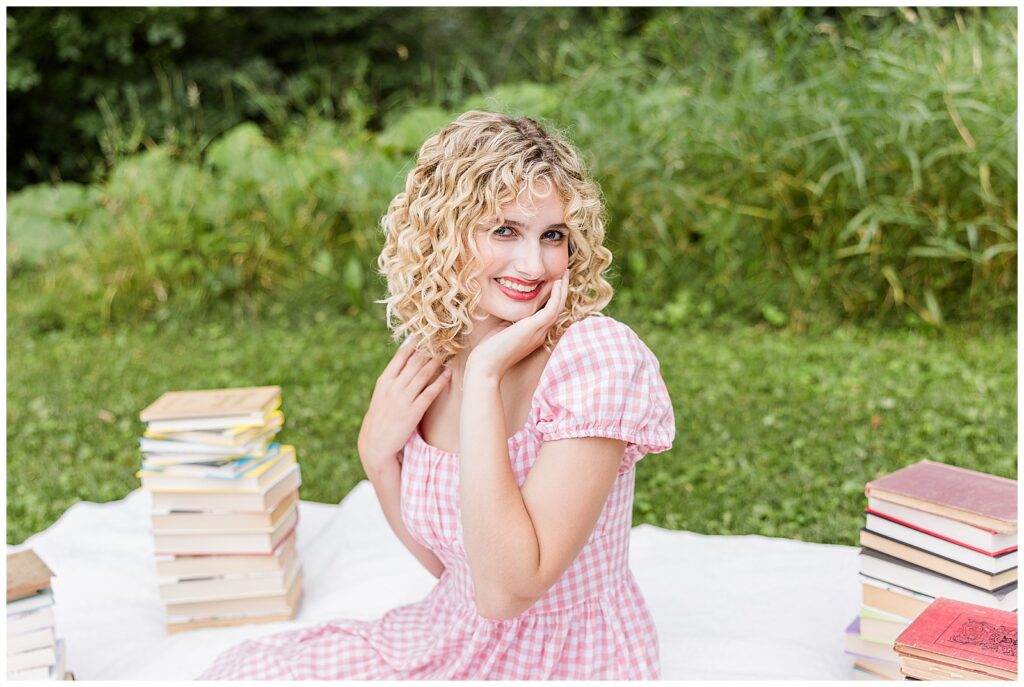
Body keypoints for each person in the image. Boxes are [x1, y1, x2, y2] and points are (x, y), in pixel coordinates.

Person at [198, 111, 675, 680]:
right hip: (449, 631)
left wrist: (483, 381)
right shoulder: (435, 356)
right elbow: (457, 570)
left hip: (562, 659)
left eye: (553, 235)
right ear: (444, 236)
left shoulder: (595, 358)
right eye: (504, 230)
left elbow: (506, 592)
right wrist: (377, 458)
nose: (533, 263)